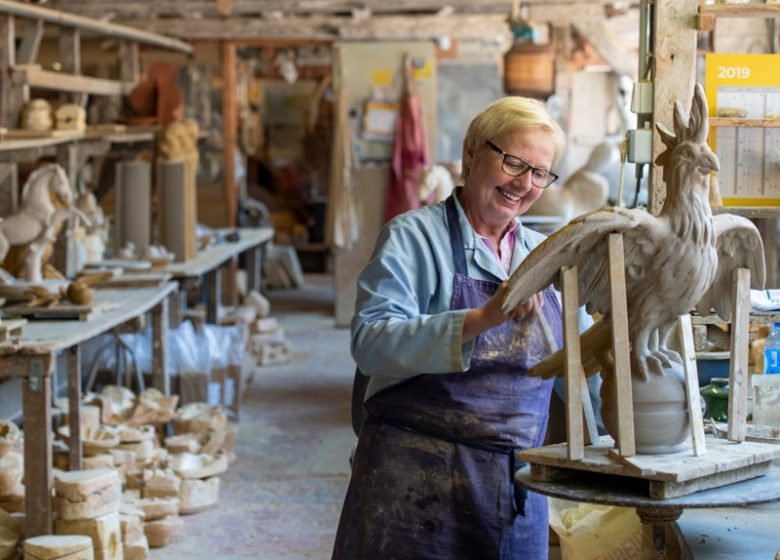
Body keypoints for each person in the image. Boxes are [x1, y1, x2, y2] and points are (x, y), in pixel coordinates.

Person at [333, 96, 600, 560]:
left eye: (540, 172)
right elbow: (370, 342)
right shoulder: (413, 237)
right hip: (411, 482)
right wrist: (483, 318)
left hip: (511, 486)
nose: (525, 183)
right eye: (514, 162)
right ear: (472, 153)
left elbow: (582, 367)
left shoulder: (552, 256)